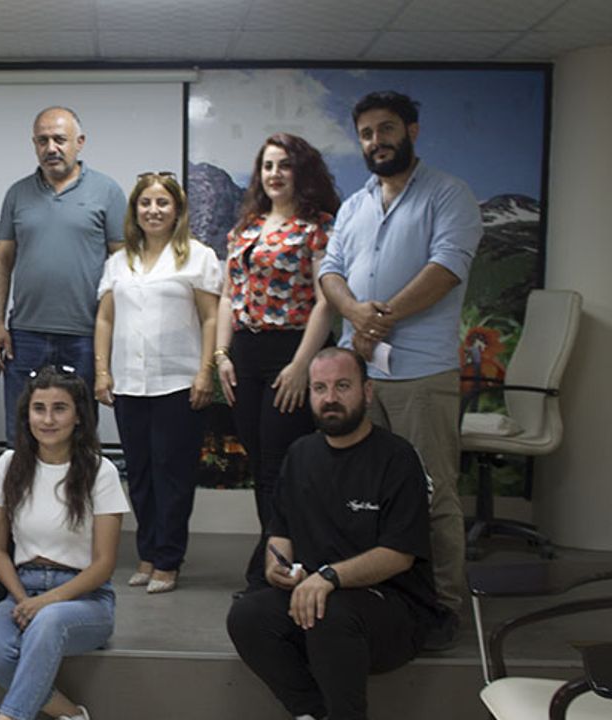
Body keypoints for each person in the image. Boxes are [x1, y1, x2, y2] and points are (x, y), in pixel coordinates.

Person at [319, 91, 482, 641]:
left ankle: (444, 607)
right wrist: (353, 314)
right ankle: (382, 597)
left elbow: (447, 268)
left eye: (386, 129)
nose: (376, 141)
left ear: (411, 131)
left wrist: (380, 319)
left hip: (421, 375)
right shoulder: (355, 205)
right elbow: (330, 270)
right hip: (361, 377)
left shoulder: (449, 194)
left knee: (432, 493)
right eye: (366, 133)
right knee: (363, 495)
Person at [226, 348, 444, 720]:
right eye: (320, 388)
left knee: (328, 612)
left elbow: (399, 554)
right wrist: (278, 566)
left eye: (343, 386)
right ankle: (311, 713)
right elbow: (280, 532)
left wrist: (328, 577)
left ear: (367, 392)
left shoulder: (397, 458)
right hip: (316, 595)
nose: (330, 398)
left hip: (391, 608)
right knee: (247, 616)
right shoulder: (300, 454)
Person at [213, 133, 340, 593]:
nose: (274, 174)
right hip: (244, 355)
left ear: (301, 170)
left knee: (279, 466)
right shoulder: (245, 227)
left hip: (292, 351)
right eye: (267, 166)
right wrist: (221, 355)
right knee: (259, 464)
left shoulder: (317, 226)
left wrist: (303, 365)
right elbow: (228, 296)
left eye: (284, 165)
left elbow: (326, 301)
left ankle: (274, 568)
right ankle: (279, 561)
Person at [0, 368, 129, 720]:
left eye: (59, 408)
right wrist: (23, 598)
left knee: (48, 621)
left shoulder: (100, 471)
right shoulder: (9, 464)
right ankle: (72, 715)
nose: (47, 419)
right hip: (22, 589)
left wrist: (47, 601)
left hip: (84, 597)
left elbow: (104, 563)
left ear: (78, 416)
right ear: (26, 414)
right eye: (38, 408)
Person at [94, 171, 221, 594]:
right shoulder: (119, 262)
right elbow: (105, 318)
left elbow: (211, 318)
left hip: (178, 382)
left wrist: (205, 372)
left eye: (162, 202)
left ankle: (168, 559)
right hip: (130, 383)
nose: (153, 210)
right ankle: (147, 554)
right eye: (145, 203)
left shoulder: (199, 257)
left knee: (173, 475)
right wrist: (102, 371)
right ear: (135, 211)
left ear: (177, 209)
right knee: (141, 475)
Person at [0, 107, 127, 444]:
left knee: (79, 436)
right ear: (34, 144)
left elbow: (123, 264)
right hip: (26, 336)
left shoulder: (107, 191)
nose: (51, 148)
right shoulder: (18, 194)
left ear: (80, 142)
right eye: (43, 140)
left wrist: (115, 331)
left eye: (60, 139)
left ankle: (76, 484)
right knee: (22, 435)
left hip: (85, 335)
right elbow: (0, 262)